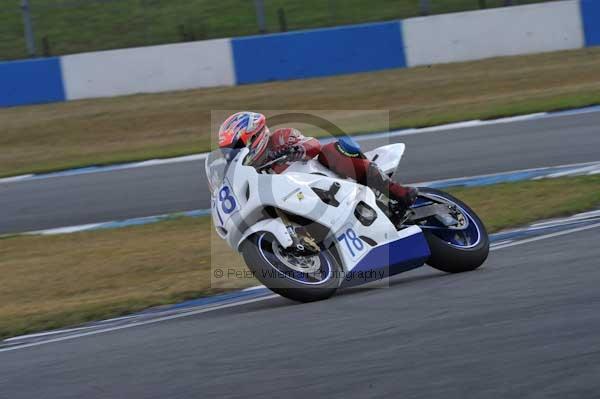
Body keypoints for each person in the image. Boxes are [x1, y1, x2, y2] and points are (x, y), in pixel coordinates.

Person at [218, 111, 417, 216]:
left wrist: (296, 149)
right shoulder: (250, 174)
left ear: (253, 137)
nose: (234, 154)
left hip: (326, 180)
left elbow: (312, 143)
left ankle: (397, 191)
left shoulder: (280, 137)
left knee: (330, 151)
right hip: (303, 202)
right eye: (229, 151)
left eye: (236, 147)